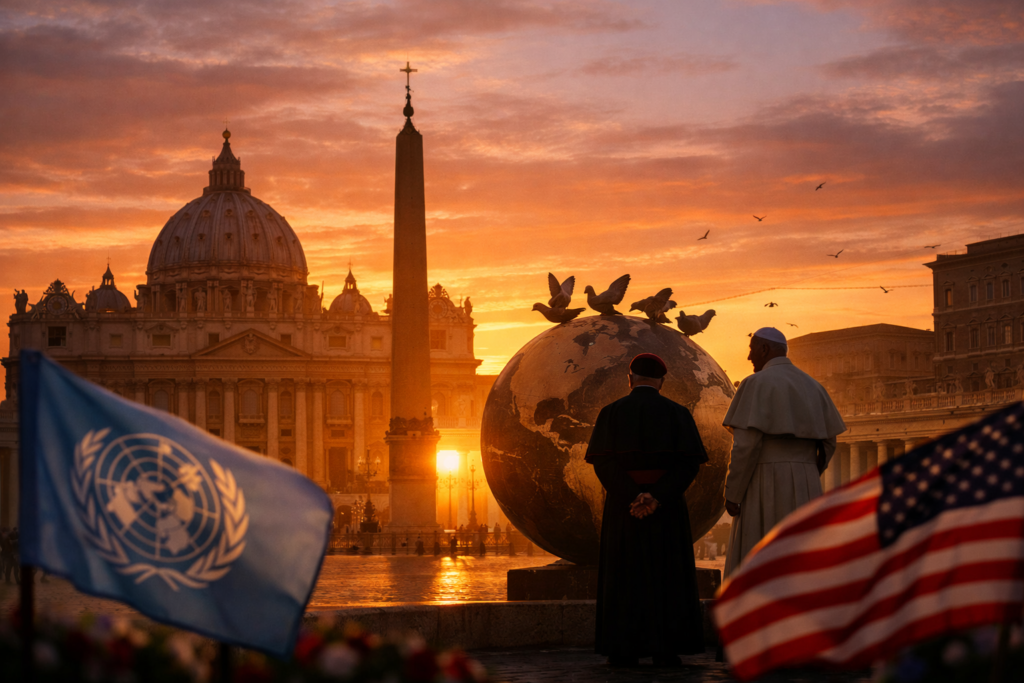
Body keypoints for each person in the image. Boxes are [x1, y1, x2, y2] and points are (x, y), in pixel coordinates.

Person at [585, 353, 708, 668]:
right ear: (662, 382)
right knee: (668, 576)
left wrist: (633, 495)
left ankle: (623, 648)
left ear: (630, 379)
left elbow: (603, 461)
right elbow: (688, 463)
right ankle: (666, 649)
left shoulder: (610, 413)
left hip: (624, 508)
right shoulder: (678, 414)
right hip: (665, 510)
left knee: (624, 576)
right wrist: (656, 497)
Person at [722, 327, 846, 577]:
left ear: (765, 349)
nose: (749, 357)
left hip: (764, 479)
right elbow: (829, 442)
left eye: (752, 350)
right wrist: (809, 472)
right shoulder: (813, 385)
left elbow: (745, 446)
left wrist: (733, 493)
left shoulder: (754, 383)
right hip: (807, 482)